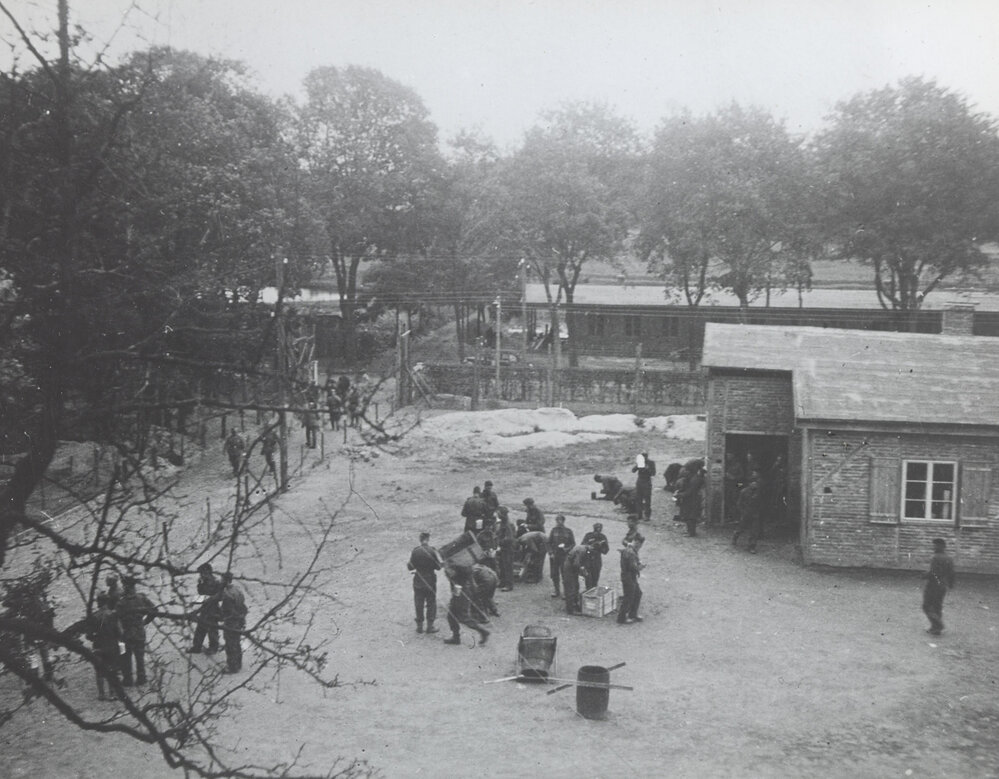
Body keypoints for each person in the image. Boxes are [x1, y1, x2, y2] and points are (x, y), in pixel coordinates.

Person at [116, 576, 155, 686]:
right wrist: (145, 622)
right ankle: (141, 678)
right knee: (140, 656)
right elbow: (154, 610)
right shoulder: (142, 598)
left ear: (126, 587)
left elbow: (116, 618)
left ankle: (128, 679)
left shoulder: (121, 602)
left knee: (125, 656)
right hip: (139, 630)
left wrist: (119, 633)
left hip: (126, 633)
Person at [443, 566, 490, 646]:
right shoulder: (465, 565)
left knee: (463, 617)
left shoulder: (460, 567)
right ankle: (456, 637)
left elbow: (452, 575)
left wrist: (447, 569)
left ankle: (483, 631)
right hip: (461, 591)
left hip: (461, 592)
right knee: (451, 615)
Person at [86, 593, 121, 701]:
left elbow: (88, 635)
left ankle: (101, 694)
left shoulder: (94, 616)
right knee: (112, 669)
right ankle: (112, 694)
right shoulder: (113, 615)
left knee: (99, 670)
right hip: (112, 645)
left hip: (98, 646)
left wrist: (94, 637)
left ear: (99, 602)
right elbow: (119, 632)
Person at [407, 532, 441, 634]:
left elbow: (410, 567)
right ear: (428, 539)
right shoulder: (432, 551)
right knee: (431, 603)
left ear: (420, 539)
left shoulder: (415, 551)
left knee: (419, 603)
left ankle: (419, 627)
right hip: (430, 580)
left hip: (418, 580)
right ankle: (430, 627)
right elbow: (438, 567)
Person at [923, 538, 956, 636]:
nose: (933, 547)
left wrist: (924, 575)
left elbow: (933, 573)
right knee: (937, 606)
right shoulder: (949, 558)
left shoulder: (935, 557)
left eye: (935, 545)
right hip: (943, 585)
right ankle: (935, 628)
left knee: (926, 606)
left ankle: (938, 625)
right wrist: (950, 585)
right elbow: (952, 573)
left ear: (940, 547)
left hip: (933, 585)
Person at [218, 572, 248, 674]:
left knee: (230, 644)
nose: (221, 581)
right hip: (239, 620)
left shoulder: (227, 593)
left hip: (231, 621)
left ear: (226, 581)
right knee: (236, 642)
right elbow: (242, 606)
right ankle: (238, 663)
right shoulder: (237, 589)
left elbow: (227, 610)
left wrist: (222, 616)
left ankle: (232, 667)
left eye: (222, 579)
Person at [189, 563, 221, 654]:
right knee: (200, 627)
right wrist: (200, 584)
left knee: (212, 628)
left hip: (213, 608)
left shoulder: (215, 582)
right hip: (205, 608)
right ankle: (197, 647)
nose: (201, 575)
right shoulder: (204, 581)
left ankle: (213, 648)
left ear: (208, 572)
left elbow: (220, 596)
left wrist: (211, 598)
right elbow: (201, 593)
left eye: (202, 573)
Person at [732, 471, 763, 552]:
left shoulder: (758, 492)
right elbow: (739, 503)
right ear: (750, 484)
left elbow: (760, 503)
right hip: (746, 513)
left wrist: (758, 512)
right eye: (753, 483)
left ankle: (752, 546)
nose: (755, 484)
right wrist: (742, 512)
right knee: (741, 528)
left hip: (755, 514)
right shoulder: (743, 491)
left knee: (754, 531)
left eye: (756, 483)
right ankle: (735, 537)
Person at [616, 538, 645, 625]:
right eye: (640, 545)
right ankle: (621, 618)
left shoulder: (630, 550)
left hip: (630, 576)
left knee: (637, 594)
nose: (640, 547)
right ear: (637, 543)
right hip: (628, 576)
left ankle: (632, 614)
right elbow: (632, 567)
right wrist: (640, 567)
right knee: (629, 596)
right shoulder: (631, 552)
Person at [547, 514, 575, 598]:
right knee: (554, 574)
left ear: (563, 521)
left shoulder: (568, 531)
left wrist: (566, 549)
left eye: (560, 520)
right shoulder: (553, 530)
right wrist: (551, 553)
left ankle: (565, 592)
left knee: (565, 574)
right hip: (555, 556)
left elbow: (573, 544)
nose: (559, 522)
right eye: (557, 520)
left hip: (564, 556)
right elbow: (548, 543)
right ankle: (556, 590)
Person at [677, 460, 705, 537]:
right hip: (691, 499)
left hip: (693, 499)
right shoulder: (694, 477)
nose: (685, 472)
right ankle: (690, 531)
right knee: (689, 515)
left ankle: (691, 532)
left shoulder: (695, 479)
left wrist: (680, 495)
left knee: (691, 516)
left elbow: (690, 491)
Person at [562, 543, 590, 615]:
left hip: (572, 568)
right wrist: (583, 571)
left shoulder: (583, 548)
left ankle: (574, 605)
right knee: (570, 588)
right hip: (569, 569)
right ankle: (570, 610)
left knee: (576, 586)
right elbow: (576, 564)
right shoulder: (582, 550)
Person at [580, 523, 610, 589]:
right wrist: (589, 546)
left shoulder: (602, 537)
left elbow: (606, 551)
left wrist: (600, 547)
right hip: (588, 560)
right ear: (594, 528)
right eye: (597, 528)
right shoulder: (588, 535)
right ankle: (588, 592)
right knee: (588, 580)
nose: (598, 530)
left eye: (599, 529)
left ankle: (593, 592)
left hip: (597, 560)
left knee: (595, 580)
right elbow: (582, 546)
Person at [495, 507, 516, 591]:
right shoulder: (503, 523)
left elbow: (509, 538)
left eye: (498, 513)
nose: (497, 515)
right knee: (502, 565)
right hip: (504, 548)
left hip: (508, 548)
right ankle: (503, 582)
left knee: (508, 566)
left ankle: (509, 585)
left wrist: (500, 542)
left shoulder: (508, 525)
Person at [632, 452, 657, 520]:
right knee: (638, 499)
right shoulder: (640, 462)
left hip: (647, 482)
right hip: (639, 482)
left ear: (647, 457)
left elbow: (653, 473)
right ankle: (639, 514)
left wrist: (648, 469)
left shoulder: (651, 463)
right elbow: (633, 470)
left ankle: (647, 515)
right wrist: (637, 465)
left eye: (644, 457)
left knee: (647, 500)